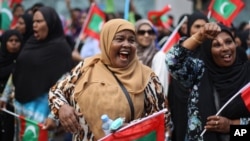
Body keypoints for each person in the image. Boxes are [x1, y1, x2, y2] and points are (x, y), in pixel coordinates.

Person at [48, 18, 171, 141]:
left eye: (131, 40)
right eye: (120, 39)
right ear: (106, 41)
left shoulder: (147, 76)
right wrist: (62, 107)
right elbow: (56, 92)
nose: (127, 44)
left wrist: (133, 128)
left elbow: (162, 118)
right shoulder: (86, 68)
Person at [165, 22, 250, 141]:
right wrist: (200, 35)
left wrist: (231, 126)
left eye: (228, 42)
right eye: (217, 45)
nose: (225, 48)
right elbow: (172, 61)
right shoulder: (199, 73)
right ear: (208, 50)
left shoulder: (247, 76)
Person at [11, 6, 73, 140]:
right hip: (21, 108)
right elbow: (18, 69)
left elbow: (64, 86)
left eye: (39, 21)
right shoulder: (30, 43)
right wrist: (5, 96)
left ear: (50, 24)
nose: (34, 25)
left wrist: (54, 116)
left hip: (43, 113)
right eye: (33, 22)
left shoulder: (61, 49)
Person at [0, 29, 23, 141]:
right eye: (10, 40)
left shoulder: (23, 62)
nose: (14, 43)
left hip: (13, 107)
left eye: (17, 40)